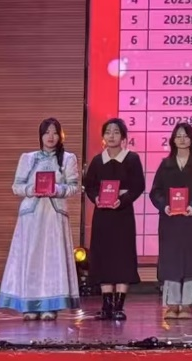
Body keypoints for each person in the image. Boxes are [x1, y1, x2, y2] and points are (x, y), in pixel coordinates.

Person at [0, 118, 81, 320]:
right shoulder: (28, 158)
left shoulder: (68, 158)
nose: (50, 137)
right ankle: (29, 305)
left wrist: (56, 189)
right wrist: (32, 189)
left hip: (54, 215)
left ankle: (50, 306)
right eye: (46, 132)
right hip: (31, 216)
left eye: (54, 132)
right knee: (31, 257)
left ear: (60, 135)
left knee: (52, 258)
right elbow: (16, 187)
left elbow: (74, 187)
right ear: (41, 135)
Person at [149, 122, 192, 320]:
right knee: (171, 263)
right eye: (178, 136)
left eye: (186, 136)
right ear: (173, 140)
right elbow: (155, 192)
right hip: (171, 222)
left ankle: (187, 305)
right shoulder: (166, 164)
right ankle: (172, 305)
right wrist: (165, 206)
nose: (182, 139)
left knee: (191, 264)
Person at [83, 118, 146, 321]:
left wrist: (123, 200)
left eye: (116, 132)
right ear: (103, 136)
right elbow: (89, 186)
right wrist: (96, 198)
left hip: (122, 214)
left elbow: (138, 186)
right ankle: (106, 306)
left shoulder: (132, 159)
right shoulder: (97, 161)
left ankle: (119, 306)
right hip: (102, 215)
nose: (111, 136)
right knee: (103, 256)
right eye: (108, 132)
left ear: (123, 137)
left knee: (122, 257)